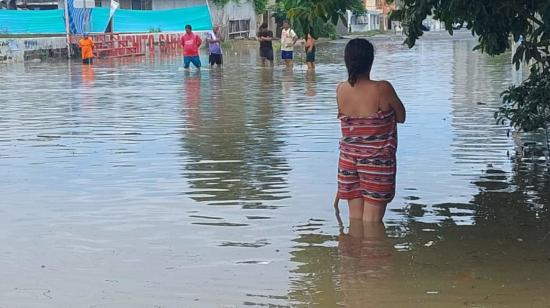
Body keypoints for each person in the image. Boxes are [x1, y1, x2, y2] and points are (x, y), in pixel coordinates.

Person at [336, 38, 406, 223]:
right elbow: (401, 116)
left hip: (348, 161)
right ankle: (373, 251)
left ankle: (351, 251)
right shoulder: (382, 88)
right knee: (372, 224)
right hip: (376, 163)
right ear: (371, 60)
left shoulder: (341, 89)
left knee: (356, 220)